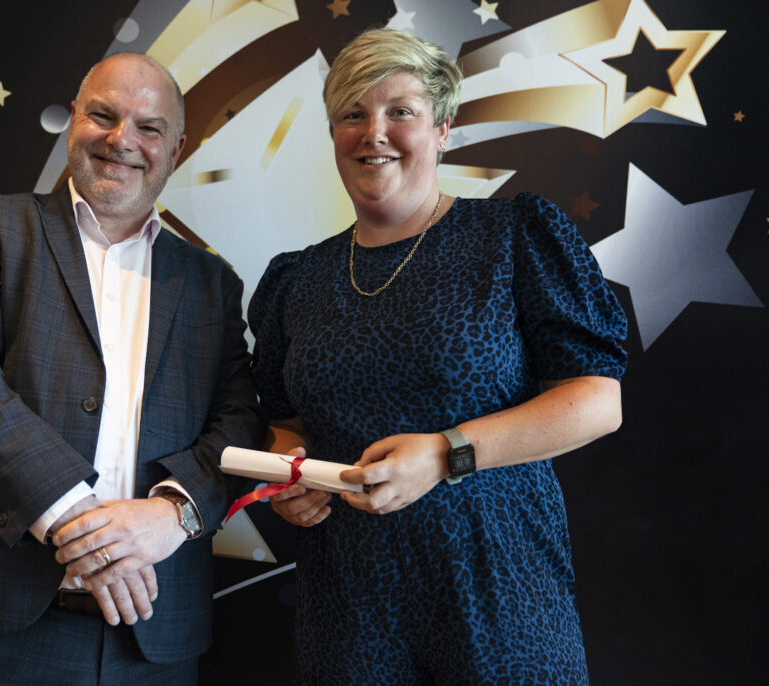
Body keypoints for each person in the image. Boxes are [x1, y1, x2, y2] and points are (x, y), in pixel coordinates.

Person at [248, 28, 628, 685]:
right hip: (347, 607)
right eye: (353, 114)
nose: (375, 133)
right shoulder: (295, 279)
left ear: (444, 127)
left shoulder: (513, 237)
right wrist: (288, 475)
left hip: (500, 595)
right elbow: (285, 423)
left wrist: (445, 451)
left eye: (400, 111)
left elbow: (598, 402)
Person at [0, 52, 265, 685]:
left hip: (158, 636)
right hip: (8, 621)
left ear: (175, 151)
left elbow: (240, 420)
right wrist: (74, 518)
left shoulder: (211, 283)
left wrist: (174, 512)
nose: (123, 141)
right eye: (104, 115)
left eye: (148, 128)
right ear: (73, 125)